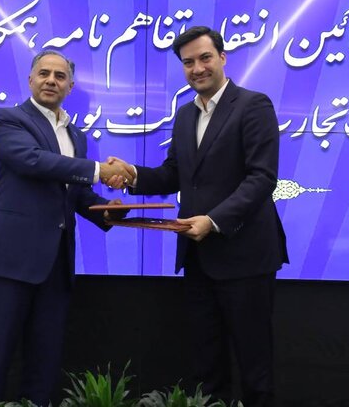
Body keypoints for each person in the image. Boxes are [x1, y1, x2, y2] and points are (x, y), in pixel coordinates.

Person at [108, 26, 287, 407]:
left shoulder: (254, 105)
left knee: (254, 363)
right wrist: (132, 174)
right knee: (206, 365)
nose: (197, 68)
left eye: (205, 58)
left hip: (245, 256)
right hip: (198, 258)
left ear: (222, 58)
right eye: (188, 62)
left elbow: (262, 178)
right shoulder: (186, 115)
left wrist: (214, 220)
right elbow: (175, 174)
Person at [0, 49, 131, 406]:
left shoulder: (76, 136)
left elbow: (74, 193)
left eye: (60, 76)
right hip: (7, 261)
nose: (51, 81)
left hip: (55, 266)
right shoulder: (8, 119)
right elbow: (33, 161)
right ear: (30, 80)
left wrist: (106, 212)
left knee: (43, 366)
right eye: (44, 73)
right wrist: (99, 170)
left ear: (70, 87)